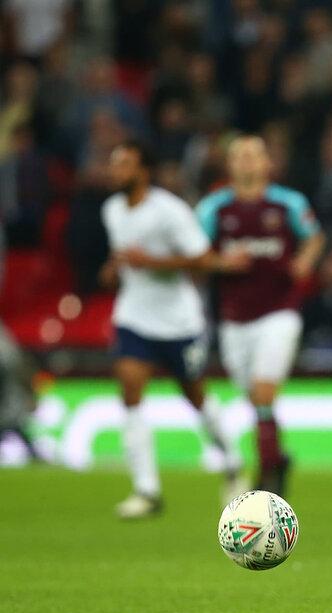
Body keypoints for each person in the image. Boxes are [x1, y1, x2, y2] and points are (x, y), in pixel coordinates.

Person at [99, 140, 247, 519]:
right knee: (130, 395)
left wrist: (150, 262)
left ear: (143, 171)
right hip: (134, 318)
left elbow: (201, 260)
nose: (117, 172)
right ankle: (147, 490)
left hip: (179, 322)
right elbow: (125, 258)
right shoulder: (111, 210)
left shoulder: (169, 211)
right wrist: (116, 269)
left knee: (195, 396)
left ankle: (232, 459)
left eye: (125, 165)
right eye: (114, 165)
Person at [196, 135, 325, 496]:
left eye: (255, 155)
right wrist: (221, 262)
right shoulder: (213, 209)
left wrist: (304, 261)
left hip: (279, 313)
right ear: (230, 165)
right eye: (240, 155)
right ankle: (278, 458)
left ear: (268, 163)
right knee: (255, 401)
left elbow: (315, 238)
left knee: (264, 394)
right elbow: (195, 253)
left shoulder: (288, 203)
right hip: (234, 319)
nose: (248, 161)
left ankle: (266, 478)